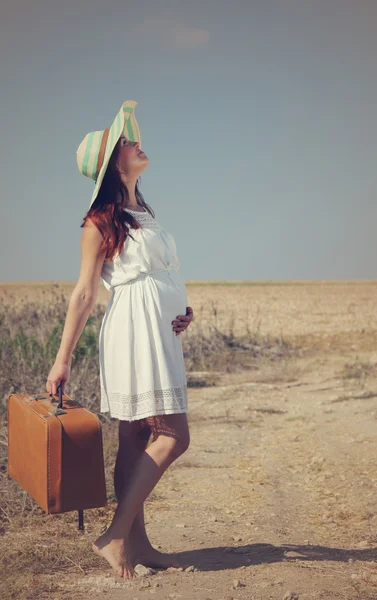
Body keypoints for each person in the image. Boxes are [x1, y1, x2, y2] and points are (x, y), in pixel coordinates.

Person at [45, 100, 194, 581]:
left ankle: (138, 544)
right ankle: (113, 535)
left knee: (134, 437)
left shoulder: (142, 209)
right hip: (134, 328)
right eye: (127, 142)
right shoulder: (98, 221)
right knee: (174, 435)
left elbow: (161, 273)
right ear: (113, 163)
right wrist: (62, 358)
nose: (137, 143)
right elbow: (86, 291)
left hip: (159, 326)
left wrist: (182, 310)